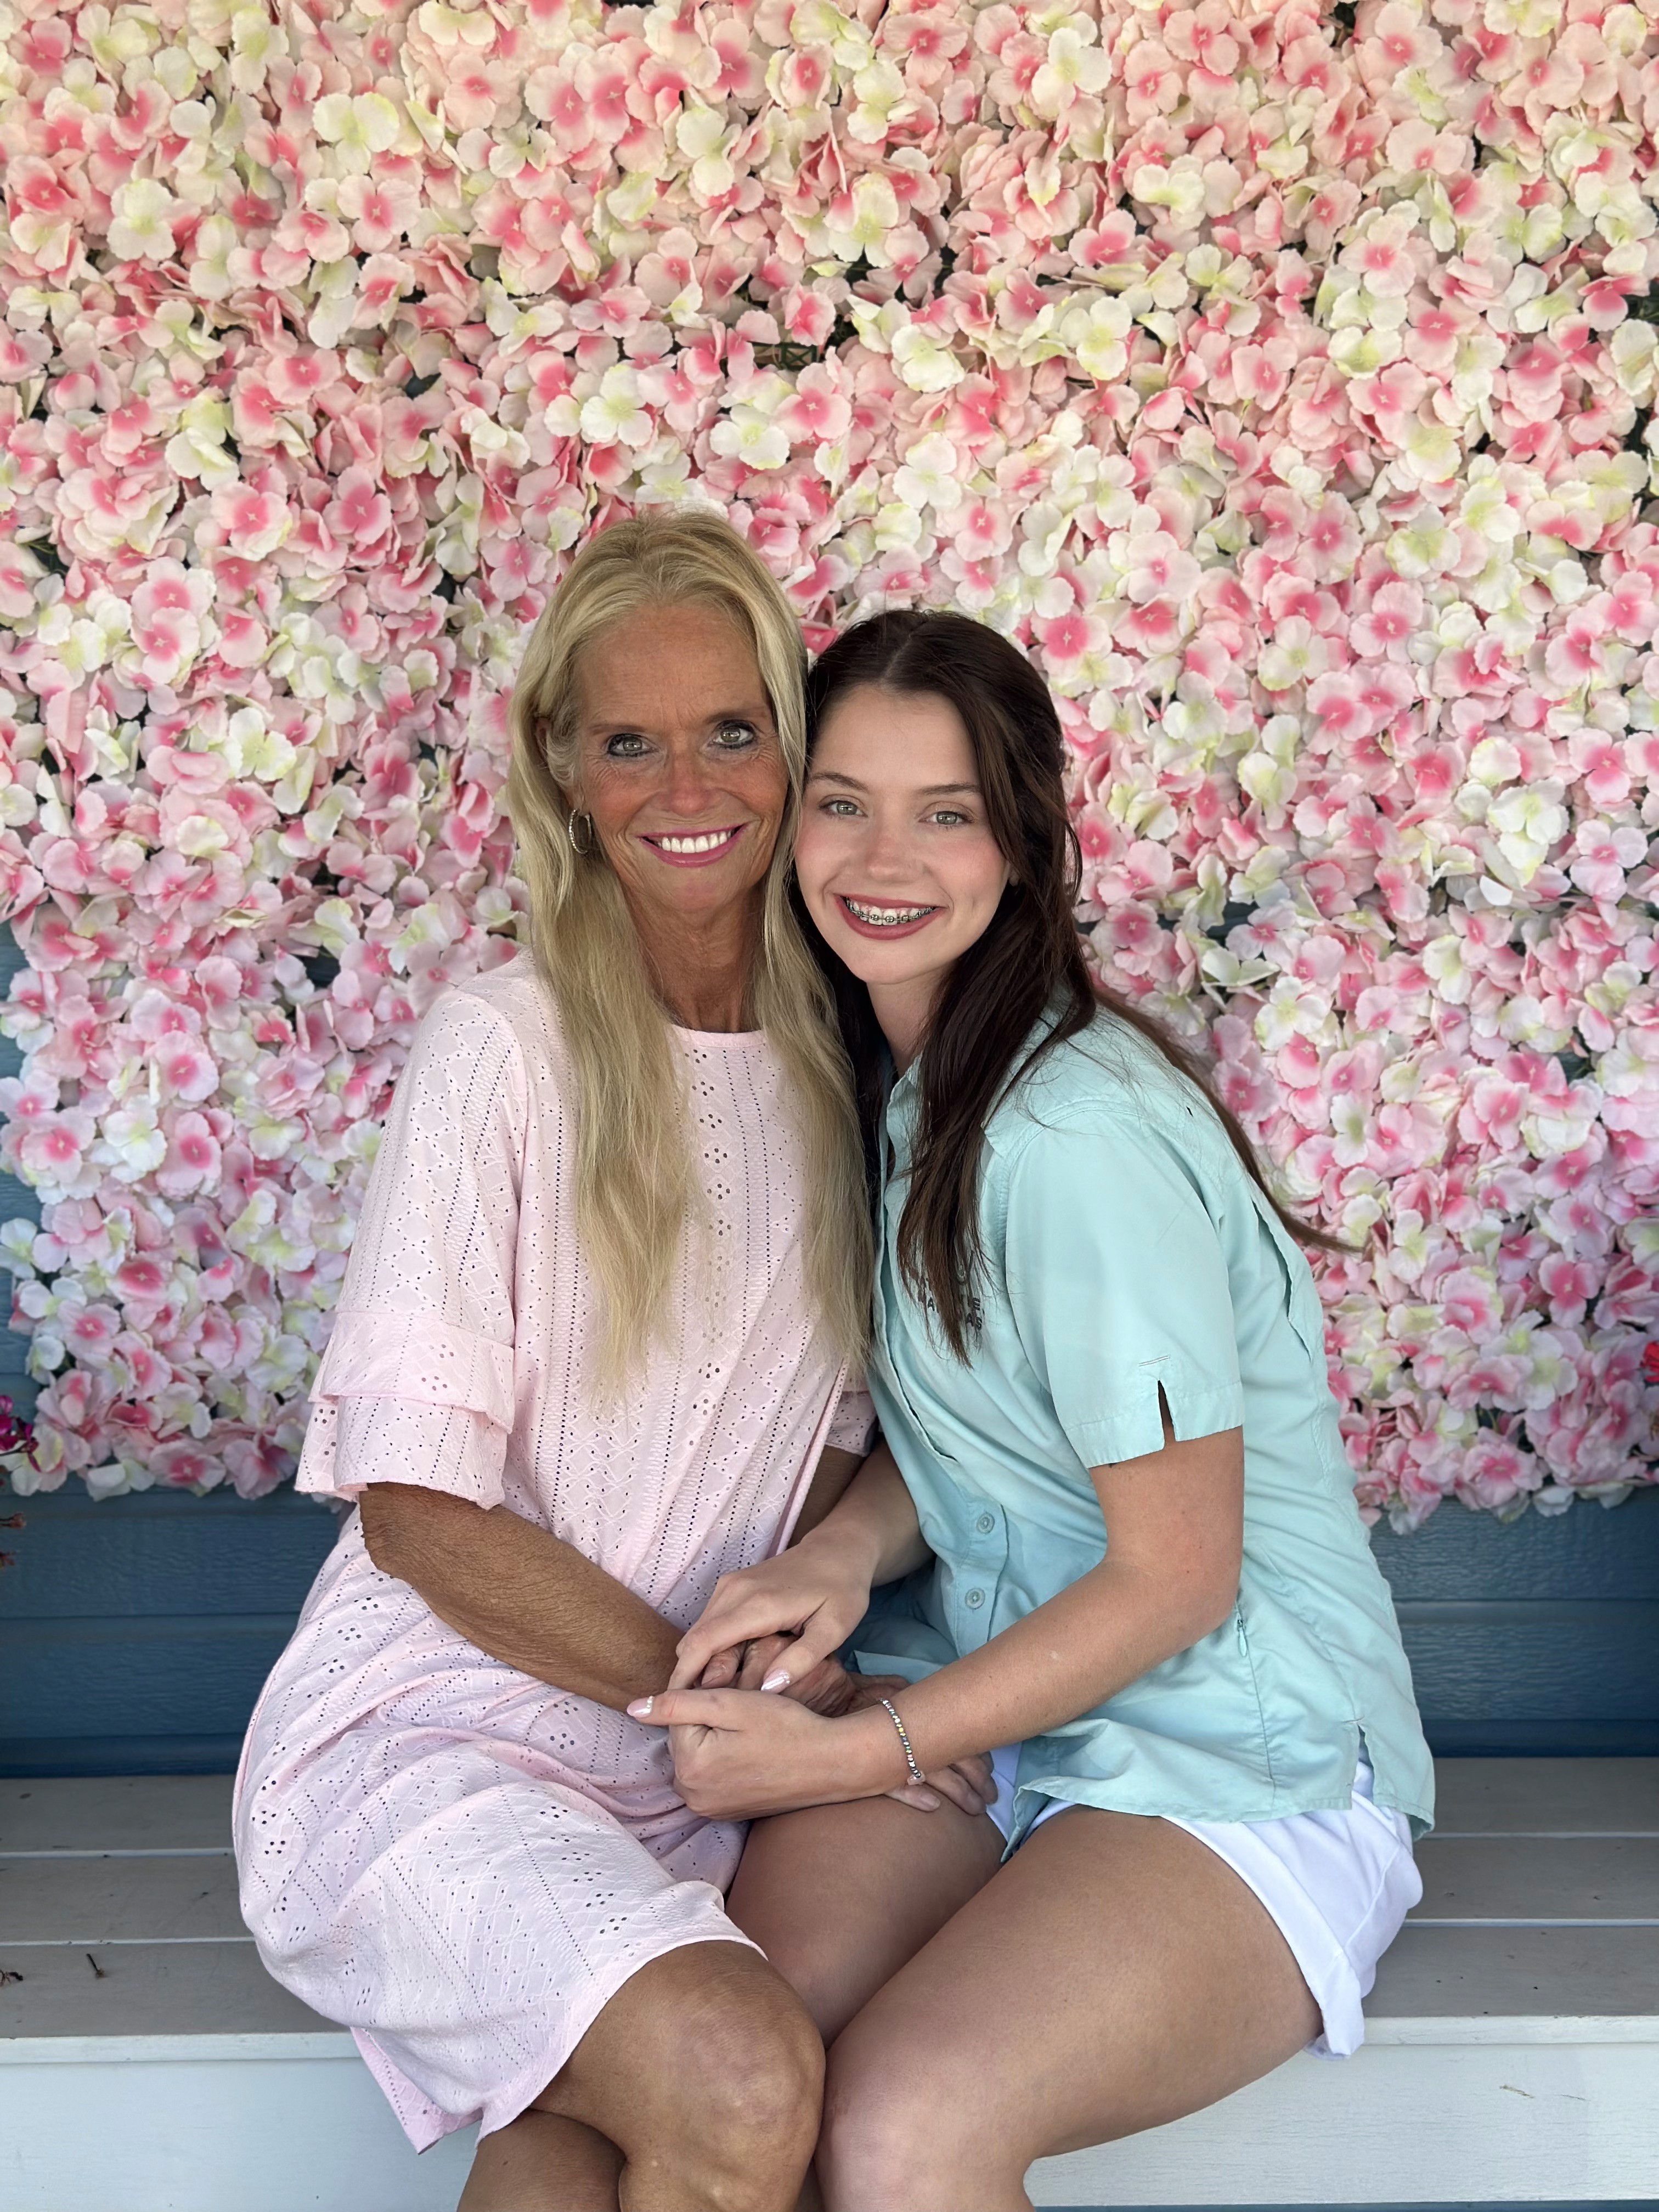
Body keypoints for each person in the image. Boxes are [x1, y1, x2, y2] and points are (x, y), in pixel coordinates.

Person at [232, 524, 990, 2212]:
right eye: (627, 741)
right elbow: (423, 1518)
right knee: (736, 2074)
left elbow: (852, 1459)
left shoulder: (850, 1072)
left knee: (607, 2128)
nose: (684, 784)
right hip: (428, 1747)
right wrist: (725, 1705)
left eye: (733, 730)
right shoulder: (501, 1050)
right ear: (566, 773)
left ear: (796, 756)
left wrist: (823, 1663)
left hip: (678, 1775)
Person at [642, 608, 1436, 2212]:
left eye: (947, 812)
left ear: (1023, 839)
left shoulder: (1071, 1137)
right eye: (845, 799)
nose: (887, 855)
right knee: (740, 2072)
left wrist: (862, 1761)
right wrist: (850, 1554)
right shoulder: (896, 1078)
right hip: (1017, 1713)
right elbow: (993, 1430)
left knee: (903, 2128)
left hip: (1238, 1759)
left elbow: (1176, 1573)